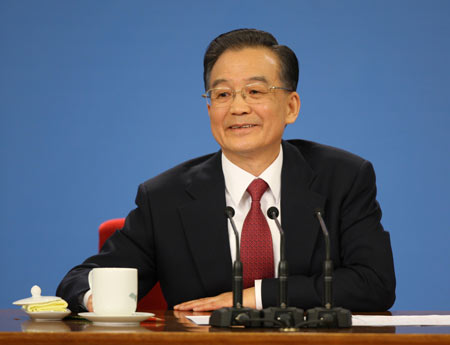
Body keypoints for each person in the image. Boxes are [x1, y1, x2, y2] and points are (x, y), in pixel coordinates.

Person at [56, 28, 396, 313]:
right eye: (222, 94)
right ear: (209, 107)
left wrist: (255, 297)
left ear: (291, 106)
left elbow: (374, 283)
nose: (237, 107)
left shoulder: (343, 178)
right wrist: (95, 298)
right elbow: (80, 280)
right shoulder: (165, 198)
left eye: (254, 91)